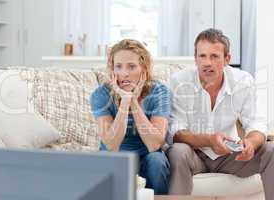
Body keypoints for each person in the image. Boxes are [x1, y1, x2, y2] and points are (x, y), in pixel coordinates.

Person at [166, 28, 274, 200]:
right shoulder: (179, 82)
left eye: (214, 56)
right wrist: (209, 140)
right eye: (202, 56)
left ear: (227, 59)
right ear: (195, 58)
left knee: (271, 150)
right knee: (177, 151)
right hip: (194, 155)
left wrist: (251, 143)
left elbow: (256, 123)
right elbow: (176, 132)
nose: (207, 62)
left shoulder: (242, 81)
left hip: (231, 156)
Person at [90, 39, 170, 194]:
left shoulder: (159, 92)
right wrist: (125, 102)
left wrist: (134, 102)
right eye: (118, 67)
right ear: (112, 70)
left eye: (131, 66)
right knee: (106, 163)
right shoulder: (100, 95)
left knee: (157, 161)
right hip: (115, 154)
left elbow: (154, 144)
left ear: (144, 69)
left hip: (147, 155)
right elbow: (111, 145)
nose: (124, 73)